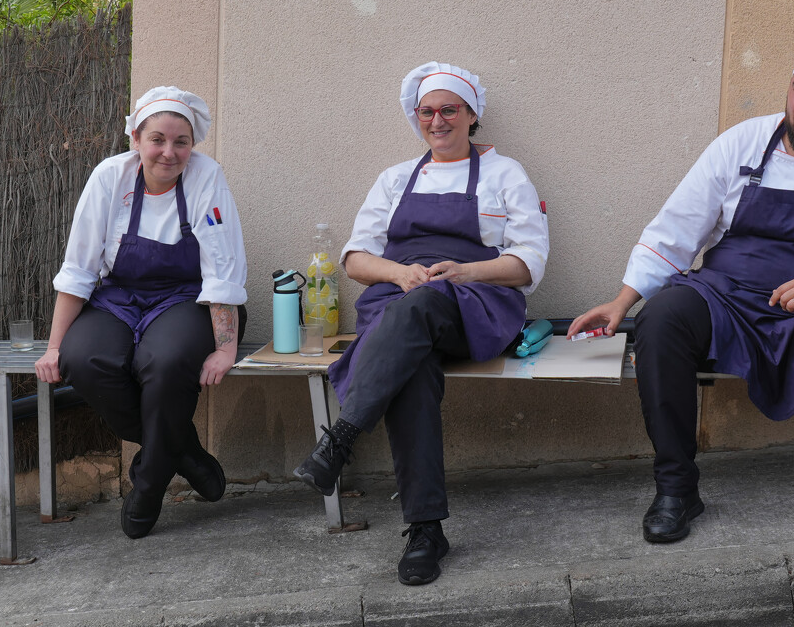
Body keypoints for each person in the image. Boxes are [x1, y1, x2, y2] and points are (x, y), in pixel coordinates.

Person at [569, 31, 794, 543]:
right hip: (723, 298)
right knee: (662, 317)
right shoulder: (740, 143)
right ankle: (676, 486)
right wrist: (622, 300)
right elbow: (675, 230)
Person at [293, 62, 549, 585]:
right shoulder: (395, 179)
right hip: (398, 302)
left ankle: (341, 437)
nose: (437, 120)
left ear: (471, 114)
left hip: (474, 303)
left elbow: (530, 262)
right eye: (428, 111)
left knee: (422, 306)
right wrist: (398, 272)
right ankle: (426, 530)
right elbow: (356, 257)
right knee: (411, 365)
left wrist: (467, 269)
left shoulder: (505, 174)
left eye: (449, 109)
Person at [34, 86, 248, 539]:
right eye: (157, 139)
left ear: (193, 144)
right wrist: (54, 347)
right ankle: (182, 452)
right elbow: (79, 267)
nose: (169, 153)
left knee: (165, 362)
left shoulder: (206, 177)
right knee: (84, 358)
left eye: (181, 142)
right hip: (118, 297)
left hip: (189, 299)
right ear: (135, 138)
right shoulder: (110, 177)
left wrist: (225, 348)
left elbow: (222, 267)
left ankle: (148, 485)